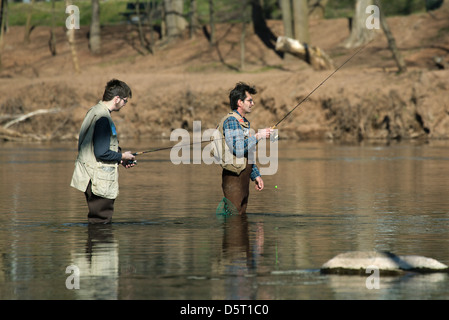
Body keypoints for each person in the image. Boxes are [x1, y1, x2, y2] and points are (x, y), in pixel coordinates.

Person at [70, 79, 136, 224]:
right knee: (101, 224)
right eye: (125, 101)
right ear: (117, 99)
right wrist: (122, 155)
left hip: (90, 176)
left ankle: (93, 246)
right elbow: (101, 152)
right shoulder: (103, 118)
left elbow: (96, 149)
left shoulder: (94, 111)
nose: (125, 104)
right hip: (98, 180)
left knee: (97, 223)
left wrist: (120, 159)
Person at [215, 82, 273, 215]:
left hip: (243, 177)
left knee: (241, 216)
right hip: (233, 178)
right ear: (240, 102)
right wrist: (259, 136)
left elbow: (246, 154)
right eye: (249, 100)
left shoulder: (243, 123)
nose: (252, 103)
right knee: (234, 218)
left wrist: (256, 175)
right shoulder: (231, 121)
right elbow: (238, 149)